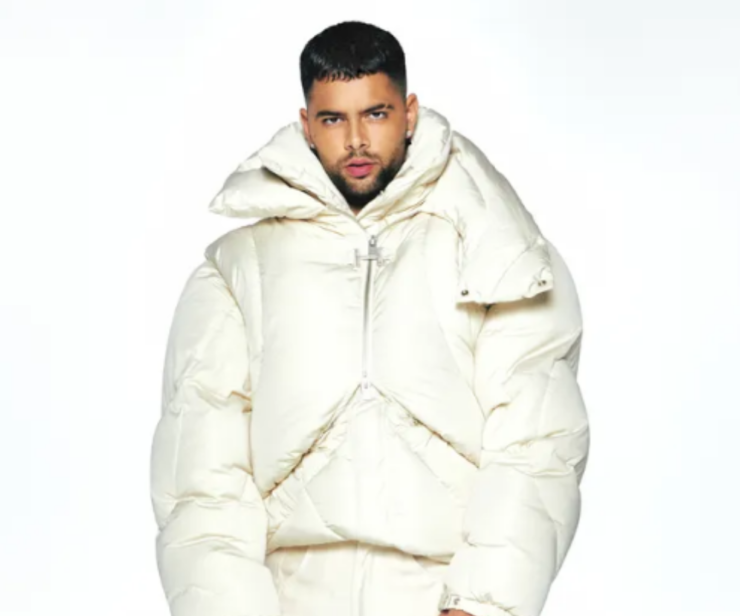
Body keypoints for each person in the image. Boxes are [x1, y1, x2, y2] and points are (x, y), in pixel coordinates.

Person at [149, 20, 590, 616]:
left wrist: (481, 605)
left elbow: (537, 445)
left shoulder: (500, 251)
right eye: (333, 119)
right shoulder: (236, 270)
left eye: (376, 114)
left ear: (409, 113)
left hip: (442, 595)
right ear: (307, 124)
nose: (356, 141)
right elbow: (201, 477)